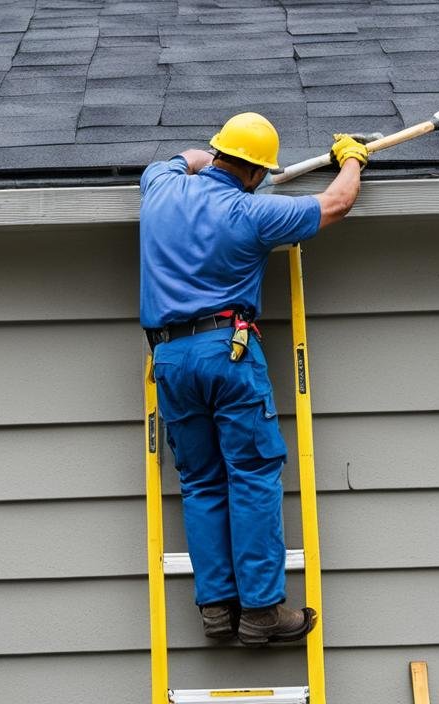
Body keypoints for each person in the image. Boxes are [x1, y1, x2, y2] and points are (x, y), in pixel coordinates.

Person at [139, 112, 367, 646]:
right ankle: (261, 612)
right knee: (253, 473)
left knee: (199, 481)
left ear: (219, 153)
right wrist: (353, 159)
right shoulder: (252, 211)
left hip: (169, 358)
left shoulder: (161, 186)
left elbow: (185, 158)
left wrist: (200, 158)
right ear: (256, 172)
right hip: (228, 351)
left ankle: (217, 612)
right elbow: (336, 203)